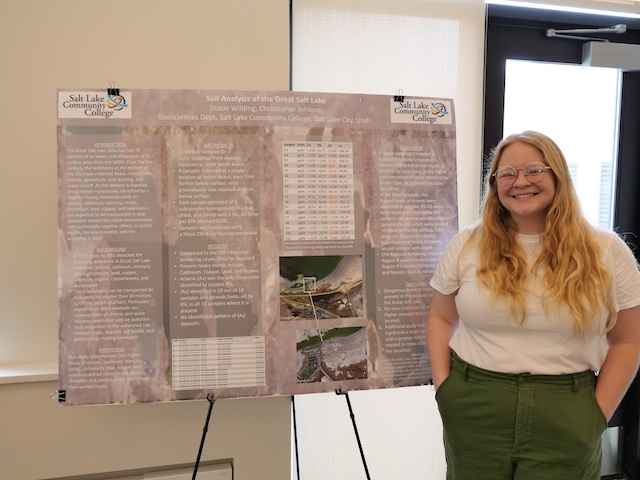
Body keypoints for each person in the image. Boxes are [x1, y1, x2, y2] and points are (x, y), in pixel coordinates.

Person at [426, 130, 640, 479]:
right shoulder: (467, 244)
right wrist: (444, 390)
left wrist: (596, 415)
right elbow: (440, 318)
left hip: (566, 408)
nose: (520, 181)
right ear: (495, 185)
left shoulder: (607, 251)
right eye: (506, 173)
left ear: (557, 174)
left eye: (533, 170)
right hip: (475, 406)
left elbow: (628, 341)